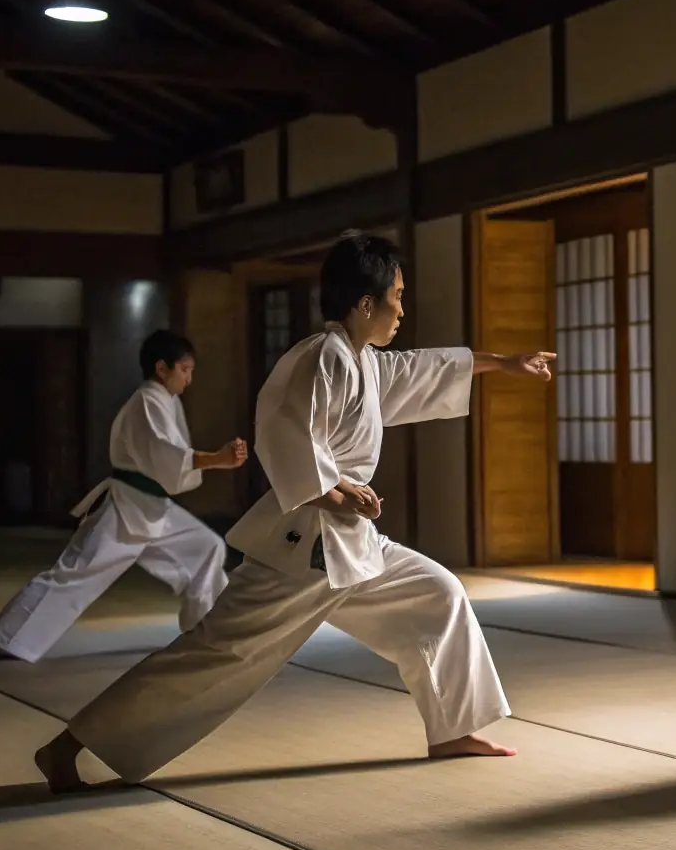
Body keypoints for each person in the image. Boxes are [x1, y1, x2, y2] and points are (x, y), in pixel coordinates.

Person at [34, 230, 556, 792]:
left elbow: (420, 369)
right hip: (305, 546)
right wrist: (335, 493)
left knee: (440, 595)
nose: (402, 309)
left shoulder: (361, 361)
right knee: (217, 655)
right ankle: (68, 747)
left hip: (352, 544)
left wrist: (503, 362)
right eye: (397, 296)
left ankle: (453, 729)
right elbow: (283, 434)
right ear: (365, 303)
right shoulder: (320, 357)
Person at [0, 330, 247, 663]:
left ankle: (206, 632)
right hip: (125, 506)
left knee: (207, 547)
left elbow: (169, 459)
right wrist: (216, 459)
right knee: (77, 572)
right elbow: (165, 454)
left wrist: (214, 459)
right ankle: (9, 637)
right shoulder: (147, 401)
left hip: (152, 508)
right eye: (185, 369)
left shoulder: (165, 400)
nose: (189, 378)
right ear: (162, 368)